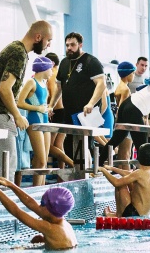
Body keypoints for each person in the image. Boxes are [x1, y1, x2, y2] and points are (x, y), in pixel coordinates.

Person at [0, 20, 53, 182]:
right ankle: (6, 206)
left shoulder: (15, 47)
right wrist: (17, 115)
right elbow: (4, 88)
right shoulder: (18, 53)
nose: (48, 45)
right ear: (38, 37)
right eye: (48, 40)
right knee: (8, 166)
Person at [49, 32, 106, 161]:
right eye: (67, 45)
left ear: (80, 45)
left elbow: (101, 84)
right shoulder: (64, 63)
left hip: (87, 113)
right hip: (69, 112)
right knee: (69, 146)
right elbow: (59, 87)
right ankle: (77, 177)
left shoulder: (91, 61)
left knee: (86, 145)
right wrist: (51, 105)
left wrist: (91, 103)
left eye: (73, 45)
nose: (69, 48)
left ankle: (90, 174)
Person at [0, 178, 77, 250]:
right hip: (62, 249)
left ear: (50, 209)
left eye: (42, 203)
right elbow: (30, 202)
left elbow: (17, 212)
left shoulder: (50, 228)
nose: (39, 206)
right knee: (38, 239)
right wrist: (11, 185)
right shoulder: (59, 219)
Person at [17, 56, 54, 186]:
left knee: (42, 161)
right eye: (51, 68)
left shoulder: (44, 83)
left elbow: (42, 103)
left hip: (45, 123)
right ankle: (36, 190)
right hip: (34, 123)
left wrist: (47, 108)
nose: (52, 71)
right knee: (42, 160)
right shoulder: (31, 82)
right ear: (44, 68)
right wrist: (37, 108)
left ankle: (41, 189)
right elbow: (19, 102)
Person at [98, 143, 150, 217]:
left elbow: (116, 183)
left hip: (133, 214)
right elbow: (130, 174)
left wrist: (103, 170)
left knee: (121, 185)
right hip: (144, 214)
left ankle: (118, 215)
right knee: (130, 183)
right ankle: (118, 213)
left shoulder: (140, 173)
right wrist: (112, 168)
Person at [45, 52, 73, 170]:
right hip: (66, 111)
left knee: (49, 145)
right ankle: (61, 174)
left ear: (51, 63)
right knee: (58, 144)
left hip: (58, 111)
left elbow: (52, 93)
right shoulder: (63, 74)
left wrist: (48, 106)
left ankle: (71, 164)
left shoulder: (52, 75)